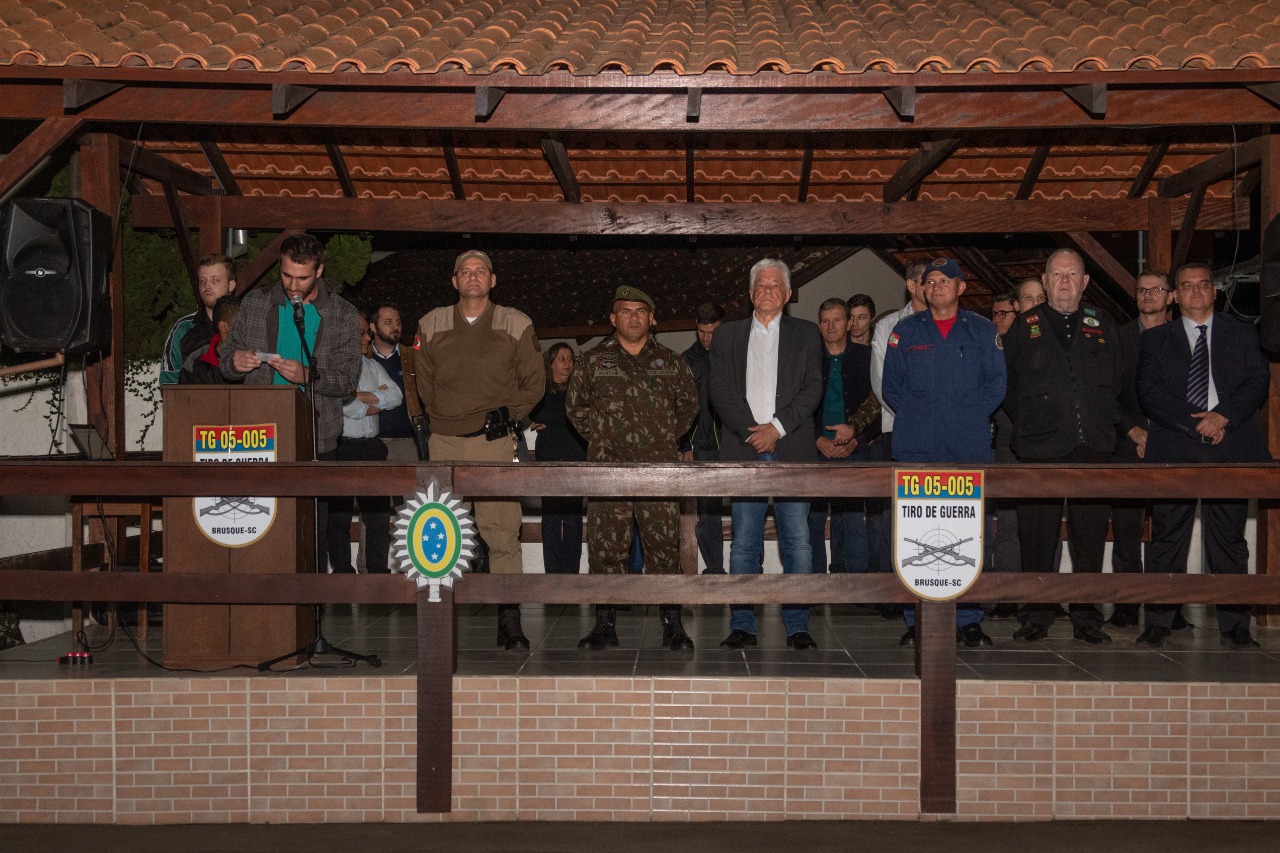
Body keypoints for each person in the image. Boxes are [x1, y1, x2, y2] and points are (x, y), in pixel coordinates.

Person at [414, 250, 545, 650]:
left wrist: (510, 415)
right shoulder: (430, 323)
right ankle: (438, 623)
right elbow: (424, 384)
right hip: (444, 443)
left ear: (492, 280)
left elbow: (534, 383)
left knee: (503, 534)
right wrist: (447, 418)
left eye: (481, 272)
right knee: (439, 537)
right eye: (465, 272)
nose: (473, 278)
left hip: (494, 443)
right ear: (454, 281)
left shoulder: (516, 322)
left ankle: (509, 621)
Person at [1136, 262, 1271, 650]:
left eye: (1204, 285)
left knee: (1228, 540)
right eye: (1187, 286)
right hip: (1176, 447)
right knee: (1166, 538)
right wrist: (1196, 423)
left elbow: (1258, 381)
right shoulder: (1156, 340)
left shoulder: (1244, 334)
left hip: (1231, 445)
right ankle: (1159, 622)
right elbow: (1150, 392)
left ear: (1215, 291)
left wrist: (1222, 416)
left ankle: (1235, 627)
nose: (1196, 292)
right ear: (1175, 295)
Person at [1001, 249, 1130, 644]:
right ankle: (1037, 615)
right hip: (1040, 448)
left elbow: (1121, 381)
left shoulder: (1103, 323)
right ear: (1044, 280)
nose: (1064, 282)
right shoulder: (1024, 327)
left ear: (1085, 282)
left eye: (1072, 275)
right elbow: (1008, 387)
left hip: (1091, 446)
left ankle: (1086, 616)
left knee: (1089, 536)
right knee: (1037, 536)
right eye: (1057, 274)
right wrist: (1033, 424)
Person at [566, 286, 699, 651]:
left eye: (642, 311)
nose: (634, 317)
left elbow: (688, 406)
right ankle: (604, 624)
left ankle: (672, 625)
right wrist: (607, 437)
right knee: (607, 548)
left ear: (651, 318)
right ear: (613, 318)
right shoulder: (593, 361)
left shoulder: (671, 362)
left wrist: (658, 439)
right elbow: (575, 407)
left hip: (659, 471)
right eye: (626, 311)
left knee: (664, 548)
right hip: (608, 471)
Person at [221, 233, 362, 573]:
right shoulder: (256, 302)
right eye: (286, 275)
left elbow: (347, 382)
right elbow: (226, 355)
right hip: (258, 434)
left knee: (310, 528)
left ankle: (309, 606)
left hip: (317, 435)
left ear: (319, 271)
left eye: (302, 277)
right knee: (262, 525)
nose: (293, 284)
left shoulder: (342, 314)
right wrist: (234, 362)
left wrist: (309, 376)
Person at [883, 257, 1006, 647]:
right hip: (917, 450)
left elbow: (996, 385)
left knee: (969, 535)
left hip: (967, 450)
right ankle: (915, 619)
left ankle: (968, 618)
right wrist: (925, 415)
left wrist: (963, 414)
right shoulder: (904, 332)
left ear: (961, 287)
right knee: (913, 535)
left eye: (945, 281)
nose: (936, 287)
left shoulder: (983, 331)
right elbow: (892, 389)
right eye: (930, 281)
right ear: (920, 289)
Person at [710, 259, 823, 650]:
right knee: (743, 542)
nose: (768, 291)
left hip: (791, 450)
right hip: (743, 451)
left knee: (799, 541)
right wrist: (752, 433)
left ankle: (798, 625)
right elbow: (720, 391)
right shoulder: (726, 336)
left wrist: (776, 428)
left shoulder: (807, 335)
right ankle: (742, 623)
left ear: (789, 295)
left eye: (776, 285)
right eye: (761, 285)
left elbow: (813, 388)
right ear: (750, 292)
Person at [1108, 271, 1174, 628]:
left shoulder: (1183, 338)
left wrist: (1162, 436)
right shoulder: (1117, 338)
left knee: (1168, 531)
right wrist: (1132, 431)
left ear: (1171, 296)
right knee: (1126, 532)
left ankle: (1166, 610)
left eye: (1156, 289)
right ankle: (1128, 606)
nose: (1148, 295)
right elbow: (1104, 391)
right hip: (1125, 443)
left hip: (1172, 446)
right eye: (1142, 290)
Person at [867, 262, 928, 607]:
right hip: (900, 430)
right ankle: (902, 602)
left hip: (942, 436)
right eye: (927, 281)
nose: (934, 286)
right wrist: (918, 417)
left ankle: (941, 599)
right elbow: (882, 383)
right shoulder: (889, 327)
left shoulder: (953, 325)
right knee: (901, 518)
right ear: (911, 285)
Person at [808, 298, 878, 575]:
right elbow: (795, 406)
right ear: (819, 326)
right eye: (825, 321)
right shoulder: (808, 360)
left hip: (855, 451)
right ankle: (813, 586)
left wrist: (856, 440)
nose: (831, 326)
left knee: (852, 519)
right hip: (814, 452)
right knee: (812, 520)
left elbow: (880, 405)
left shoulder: (867, 358)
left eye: (837, 319)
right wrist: (817, 439)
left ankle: (856, 587)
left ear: (849, 323)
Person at [326, 313, 400, 574]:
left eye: (367, 332)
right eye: (361, 333)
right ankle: (343, 571)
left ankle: (378, 572)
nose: (367, 336)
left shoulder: (373, 367)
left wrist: (361, 397)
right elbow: (343, 404)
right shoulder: (332, 368)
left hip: (372, 447)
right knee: (339, 516)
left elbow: (396, 397)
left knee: (378, 515)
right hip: (343, 448)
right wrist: (372, 403)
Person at [530, 342, 588, 574]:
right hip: (549, 461)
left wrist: (553, 420)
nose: (568, 363)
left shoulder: (580, 390)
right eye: (562, 359)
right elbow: (536, 414)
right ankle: (552, 575)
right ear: (550, 363)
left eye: (570, 359)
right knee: (552, 519)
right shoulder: (540, 391)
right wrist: (561, 417)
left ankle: (571, 575)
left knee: (573, 520)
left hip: (576, 459)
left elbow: (582, 415)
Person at [680, 302, 726, 574]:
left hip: (734, 443)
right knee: (708, 515)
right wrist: (685, 444)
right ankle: (716, 571)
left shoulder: (736, 353)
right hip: (703, 446)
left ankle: (750, 571)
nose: (707, 338)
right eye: (701, 332)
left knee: (748, 509)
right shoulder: (687, 359)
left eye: (712, 332)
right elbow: (681, 407)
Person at [986, 291, 1020, 618]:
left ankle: (1042, 597)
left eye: (1005, 313)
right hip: (1004, 441)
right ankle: (1007, 596)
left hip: (1038, 440)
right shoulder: (989, 349)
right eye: (994, 314)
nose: (999, 320)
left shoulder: (1032, 346)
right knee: (1006, 522)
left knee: (1041, 518)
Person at [163, 254, 239, 384]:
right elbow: (169, 383)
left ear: (231, 285)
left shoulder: (246, 324)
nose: (207, 286)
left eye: (215, 280)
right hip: (193, 403)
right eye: (202, 281)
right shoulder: (183, 328)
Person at [368, 304, 424, 463]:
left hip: (408, 442)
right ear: (373, 327)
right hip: (372, 442)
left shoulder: (413, 357)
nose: (395, 326)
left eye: (398, 322)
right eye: (388, 322)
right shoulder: (362, 358)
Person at [179, 295, 240, 385]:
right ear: (223, 326)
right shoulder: (196, 362)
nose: (248, 329)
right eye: (242, 323)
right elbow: (184, 397)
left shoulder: (254, 360)